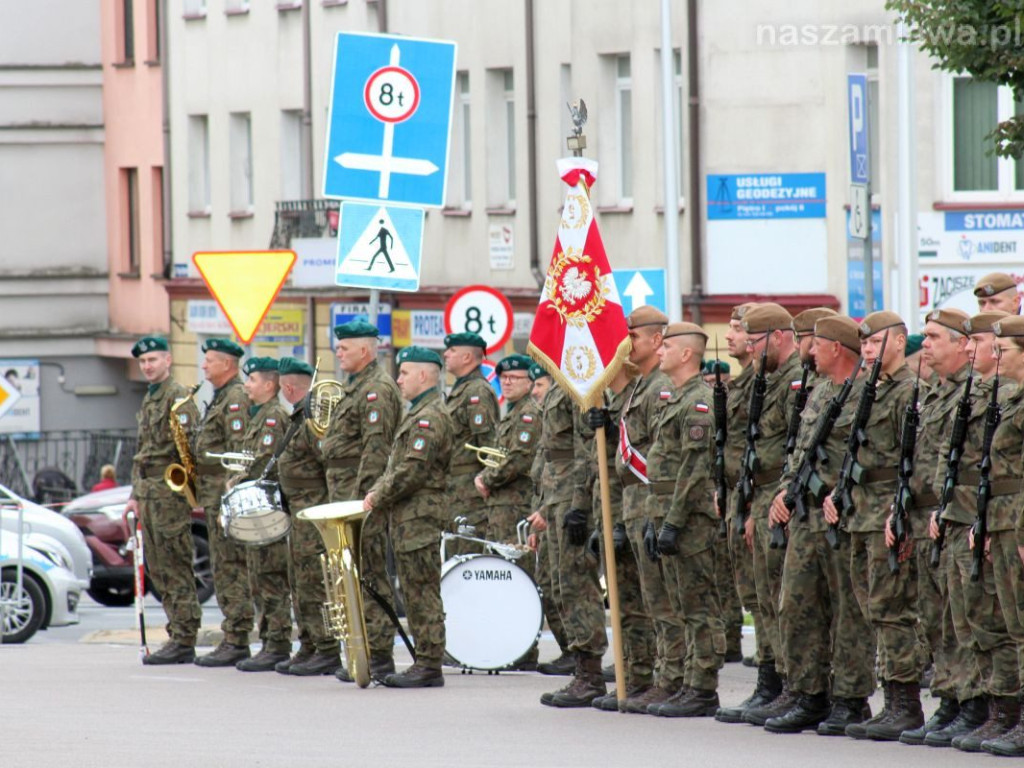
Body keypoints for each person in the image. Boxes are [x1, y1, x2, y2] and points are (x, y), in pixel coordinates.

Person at [766, 315, 876, 734]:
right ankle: (808, 694)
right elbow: (798, 451)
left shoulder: (865, 394)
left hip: (841, 516)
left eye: (817, 343)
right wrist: (784, 491)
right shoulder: (819, 392)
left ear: (836, 348)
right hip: (805, 514)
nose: (810, 350)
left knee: (847, 610)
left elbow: (870, 457)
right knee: (796, 604)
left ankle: (850, 698)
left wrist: (843, 495)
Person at [831, 312, 928, 740]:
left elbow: (916, 459)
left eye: (875, 343)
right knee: (872, 608)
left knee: (892, 610)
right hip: (860, 510)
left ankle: (905, 704)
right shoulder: (869, 390)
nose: (868, 350)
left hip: (887, 511)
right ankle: (890, 700)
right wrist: (839, 494)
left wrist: (900, 511)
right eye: (864, 344)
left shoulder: (910, 391)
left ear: (899, 342)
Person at [924, 310, 1018, 750]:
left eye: (987, 344)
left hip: (1001, 518)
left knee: (1002, 621)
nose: (977, 349)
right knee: (972, 621)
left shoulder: (1008, 396)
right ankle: (989, 709)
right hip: (970, 514)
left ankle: (1005, 711)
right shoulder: (977, 393)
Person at [719, 303, 799, 723]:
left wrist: (760, 505)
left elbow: (791, 449)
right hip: (756, 493)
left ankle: (788, 684)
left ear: (778, 337)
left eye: (754, 339)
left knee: (779, 598)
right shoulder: (766, 380)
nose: (748, 346)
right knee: (762, 598)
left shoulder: (792, 382)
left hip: (776, 497)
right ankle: (771, 682)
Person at [899, 308, 975, 744]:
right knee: (936, 617)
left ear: (962, 344)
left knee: (962, 617)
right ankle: (949, 699)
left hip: (954, 516)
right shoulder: (934, 393)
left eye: (933, 337)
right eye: (924, 337)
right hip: (926, 518)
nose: (925, 345)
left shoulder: (973, 392)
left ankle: (972, 702)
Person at [646, 322, 725, 717]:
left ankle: (703, 688)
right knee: (680, 604)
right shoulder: (674, 399)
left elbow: (693, 471)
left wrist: (673, 522)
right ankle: (689, 682)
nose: (659, 351)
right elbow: (662, 466)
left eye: (667, 346)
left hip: (690, 518)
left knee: (699, 606)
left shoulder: (698, 402)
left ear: (686, 354)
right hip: (666, 511)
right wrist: (654, 519)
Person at [364, 346, 453, 688]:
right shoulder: (417, 413)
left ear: (423, 375)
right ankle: (424, 660)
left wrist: (377, 495)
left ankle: (429, 664)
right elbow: (396, 467)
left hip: (420, 517)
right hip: (407, 517)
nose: (398, 379)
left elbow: (411, 471)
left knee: (421, 592)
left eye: (404, 373)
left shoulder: (430, 417)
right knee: (414, 591)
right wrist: (379, 490)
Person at [320, 320, 403, 682]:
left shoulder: (376, 390)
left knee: (369, 573)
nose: (338, 352)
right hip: (343, 491)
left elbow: (376, 450)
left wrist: (362, 503)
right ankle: (361, 651)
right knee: (351, 575)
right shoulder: (356, 386)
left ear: (365, 350)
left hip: (359, 497)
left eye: (345, 347)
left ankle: (379, 653)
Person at [612, 306, 684, 714]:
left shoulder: (660, 387)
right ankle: (651, 676)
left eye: (633, 336)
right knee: (645, 598)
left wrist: (658, 513)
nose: (626, 343)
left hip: (651, 502)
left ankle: (671, 680)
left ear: (657, 340)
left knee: (662, 600)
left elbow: (661, 454)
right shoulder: (640, 384)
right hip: (634, 503)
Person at [125, 336, 201, 665]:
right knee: (158, 569)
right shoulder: (150, 398)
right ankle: (176, 632)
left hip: (169, 494)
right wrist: (134, 495)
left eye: (153, 360)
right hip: (149, 493)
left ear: (167, 360)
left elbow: (191, 447)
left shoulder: (178, 397)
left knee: (175, 565)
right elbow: (141, 452)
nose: (147, 366)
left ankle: (185, 637)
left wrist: (193, 491)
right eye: (143, 362)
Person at [586, 358, 656, 711]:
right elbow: (604, 471)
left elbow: (636, 470)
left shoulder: (640, 397)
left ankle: (645, 677)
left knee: (641, 603)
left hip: (634, 509)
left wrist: (616, 524)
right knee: (624, 603)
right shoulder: (616, 403)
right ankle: (632, 675)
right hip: (618, 510)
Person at [531, 376, 605, 708]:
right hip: (556, 496)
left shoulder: (579, 385)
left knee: (577, 584)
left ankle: (591, 674)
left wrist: (579, 504)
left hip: (572, 498)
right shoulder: (559, 386)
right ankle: (582, 668)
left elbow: (586, 451)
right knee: (563, 584)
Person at [473, 353, 544, 671]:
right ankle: (509, 646)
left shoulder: (528, 414)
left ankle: (524, 650)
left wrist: (486, 478)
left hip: (516, 506)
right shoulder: (511, 413)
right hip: (500, 507)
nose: (508, 382)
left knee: (517, 577)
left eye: (515, 378)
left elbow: (518, 458)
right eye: (504, 378)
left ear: (530, 382)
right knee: (501, 577)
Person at [273, 356, 341, 676]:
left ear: (288, 388)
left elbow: (327, 460)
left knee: (314, 582)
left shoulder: (314, 419)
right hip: (299, 512)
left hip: (313, 513)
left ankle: (327, 649)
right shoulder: (298, 416)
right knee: (299, 582)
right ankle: (309, 644)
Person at [976, 316, 1024, 755]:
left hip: (1019, 521)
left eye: (1003, 350)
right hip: (1004, 519)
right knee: (1015, 624)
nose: (995, 356)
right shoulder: (1013, 400)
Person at [193, 337, 255, 668]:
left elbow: (238, 453)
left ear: (228, 364)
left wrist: (229, 497)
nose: (203, 365)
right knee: (222, 565)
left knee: (231, 566)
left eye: (210, 360)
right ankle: (233, 635)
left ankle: (237, 638)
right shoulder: (220, 396)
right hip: (212, 492)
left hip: (224, 493)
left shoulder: (235, 399)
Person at [230, 357, 293, 673]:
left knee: (271, 578)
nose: (246, 386)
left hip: (267, 508)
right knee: (258, 577)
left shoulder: (273, 417)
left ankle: (277, 643)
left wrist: (237, 479)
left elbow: (263, 463)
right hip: (255, 509)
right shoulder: (259, 416)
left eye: (252, 380)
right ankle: (268, 640)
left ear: (269, 385)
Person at [443, 332, 500, 556]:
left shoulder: (477, 392)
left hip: (469, 495)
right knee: (453, 558)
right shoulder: (461, 389)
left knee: (468, 559)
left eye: (452, 350)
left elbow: (489, 447)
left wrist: (485, 483)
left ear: (467, 357)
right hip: (455, 490)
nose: (446, 354)